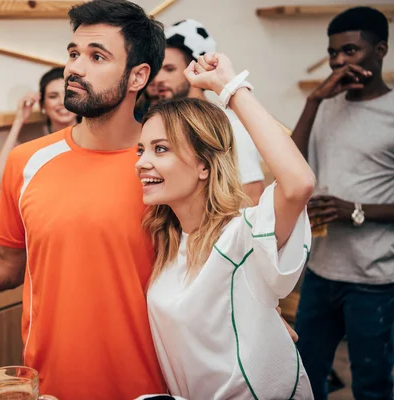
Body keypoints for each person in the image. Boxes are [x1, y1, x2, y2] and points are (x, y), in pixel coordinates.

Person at [0, 1, 167, 399]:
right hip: (51, 388)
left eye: (97, 56)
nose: (75, 68)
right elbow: (7, 265)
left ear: (138, 76)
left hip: (151, 389)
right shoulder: (26, 162)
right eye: (74, 53)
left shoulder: (166, 166)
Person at [136, 53, 316, 399]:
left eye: (160, 149)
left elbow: (299, 183)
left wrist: (231, 88)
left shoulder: (241, 237)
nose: (142, 162)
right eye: (141, 150)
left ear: (204, 165)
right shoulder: (169, 244)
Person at [291, 6, 394, 400]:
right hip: (321, 272)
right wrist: (314, 100)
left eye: (350, 51)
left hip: (374, 280)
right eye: (333, 53)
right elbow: (293, 166)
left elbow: (355, 206)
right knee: (302, 375)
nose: (338, 61)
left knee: (371, 384)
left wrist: (356, 209)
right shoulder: (328, 105)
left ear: (380, 50)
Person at [153, 19, 265, 205]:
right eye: (156, 70)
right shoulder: (156, 126)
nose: (158, 78)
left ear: (194, 70)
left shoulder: (228, 124)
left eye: (169, 69)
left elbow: (252, 196)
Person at [0, 67, 77, 219]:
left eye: (68, 94)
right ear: (43, 106)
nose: (62, 102)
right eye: (53, 96)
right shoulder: (38, 149)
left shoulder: (94, 141)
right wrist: (19, 119)